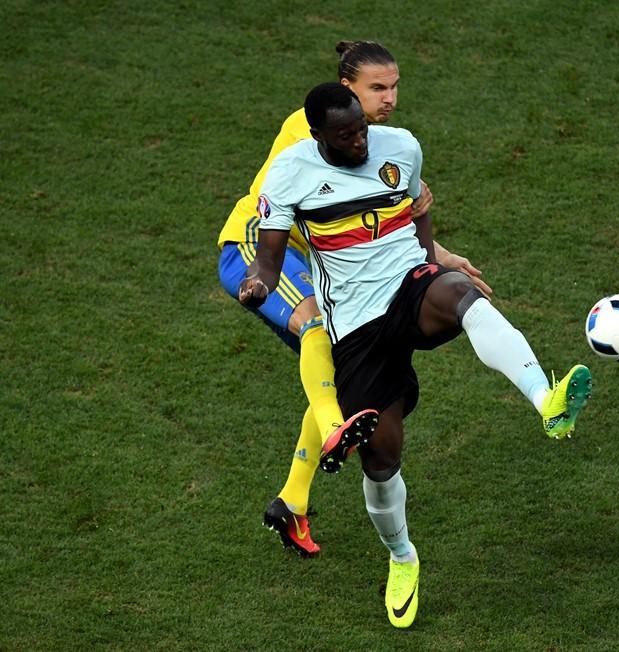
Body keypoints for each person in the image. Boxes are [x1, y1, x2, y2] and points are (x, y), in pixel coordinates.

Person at [239, 83, 593, 629]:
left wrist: (430, 259)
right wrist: (258, 285)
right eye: (346, 135)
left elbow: (417, 210)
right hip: (355, 326)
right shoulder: (291, 172)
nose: (361, 141)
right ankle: (402, 557)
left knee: (459, 294)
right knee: (381, 460)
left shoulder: (400, 146)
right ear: (317, 135)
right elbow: (269, 258)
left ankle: (546, 400)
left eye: (362, 128)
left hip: (409, 285)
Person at [217, 41, 491, 558]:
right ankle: (329, 431)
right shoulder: (315, 131)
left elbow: (378, 219)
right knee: (317, 327)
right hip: (260, 249)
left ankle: (291, 500)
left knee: (341, 366)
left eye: (394, 87)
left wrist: (440, 256)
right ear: (347, 89)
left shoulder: (367, 139)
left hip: (316, 261)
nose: (389, 100)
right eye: (376, 89)